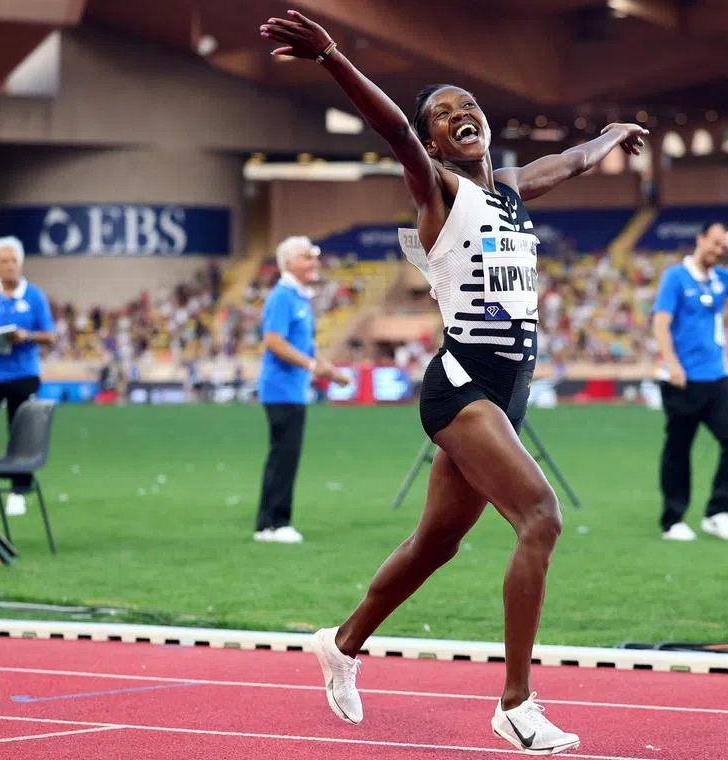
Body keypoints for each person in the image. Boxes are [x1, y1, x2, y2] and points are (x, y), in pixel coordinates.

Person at [260, 10, 648, 754]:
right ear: (433, 143)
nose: (459, 114)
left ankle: (341, 644)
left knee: (435, 543)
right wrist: (334, 55)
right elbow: (393, 130)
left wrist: (610, 135)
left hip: (508, 392)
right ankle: (516, 703)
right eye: (442, 114)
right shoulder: (436, 190)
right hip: (462, 387)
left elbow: (570, 163)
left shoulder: (509, 190)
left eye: (468, 105)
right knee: (541, 517)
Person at [651, 200, 728, 543]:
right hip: (682, 379)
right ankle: (673, 519)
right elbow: (661, 323)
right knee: (679, 448)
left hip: (718, 377)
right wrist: (672, 363)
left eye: (724, 245)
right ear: (700, 239)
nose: (719, 250)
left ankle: (719, 512)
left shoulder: (722, 278)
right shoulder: (676, 277)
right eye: (715, 243)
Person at [253, 235, 347, 544]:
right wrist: (311, 365)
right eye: (307, 257)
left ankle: (268, 523)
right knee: (284, 456)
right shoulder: (283, 297)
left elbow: (303, 346)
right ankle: (276, 523)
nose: (314, 262)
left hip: (291, 388)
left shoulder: (298, 298)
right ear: (289, 262)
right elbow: (273, 341)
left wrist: (327, 370)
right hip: (281, 389)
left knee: (283, 455)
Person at [0, 236, 55, 518]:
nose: (10, 266)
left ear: (21, 263)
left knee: (21, 434)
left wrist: (26, 336)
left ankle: (19, 489)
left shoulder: (35, 296)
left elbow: (50, 336)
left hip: (23, 373)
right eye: (4, 261)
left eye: (14, 261)